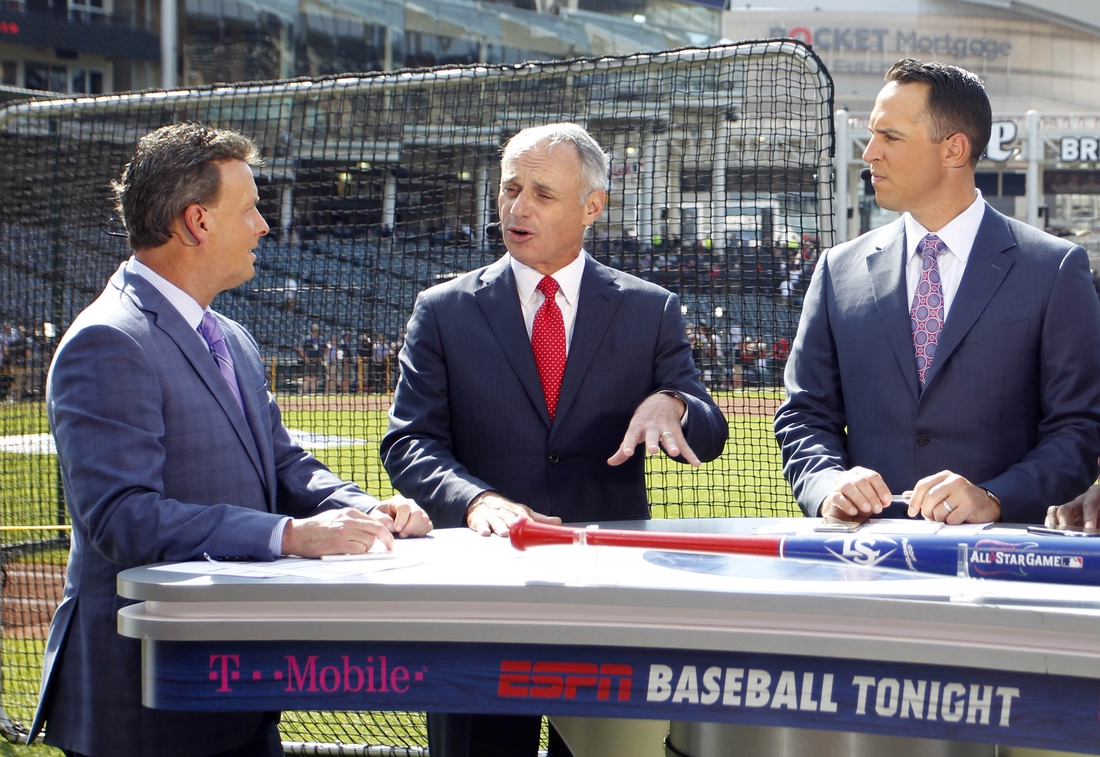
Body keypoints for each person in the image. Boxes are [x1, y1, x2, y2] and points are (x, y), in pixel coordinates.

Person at [29, 123, 432, 757]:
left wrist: (356, 507)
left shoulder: (229, 336)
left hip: (230, 687)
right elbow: (122, 517)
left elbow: (281, 461)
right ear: (196, 222)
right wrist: (288, 535)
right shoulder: (109, 339)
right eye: (248, 210)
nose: (264, 227)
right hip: (143, 699)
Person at [380, 122, 727, 757]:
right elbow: (409, 443)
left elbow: (709, 428)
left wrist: (672, 402)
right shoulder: (443, 309)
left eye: (542, 192)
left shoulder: (649, 308)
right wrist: (477, 501)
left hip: (605, 600)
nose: (517, 207)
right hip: (479, 597)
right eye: (510, 188)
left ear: (592, 206)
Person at [774, 59, 1100, 525]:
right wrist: (827, 484)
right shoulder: (837, 270)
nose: (870, 153)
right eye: (872, 135)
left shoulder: (1052, 269)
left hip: (999, 565)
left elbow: (1078, 431)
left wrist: (994, 496)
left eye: (891, 137)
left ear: (954, 150)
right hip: (864, 564)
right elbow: (804, 414)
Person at [298, 322, 322, 394]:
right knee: (307, 376)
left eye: (317, 330)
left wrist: (322, 357)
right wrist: (305, 357)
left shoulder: (320, 339)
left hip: (316, 361)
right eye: (314, 330)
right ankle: (304, 391)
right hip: (308, 361)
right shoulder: (307, 339)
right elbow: (300, 347)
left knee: (314, 377)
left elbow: (326, 347)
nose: (315, 332)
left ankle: (313, 392)